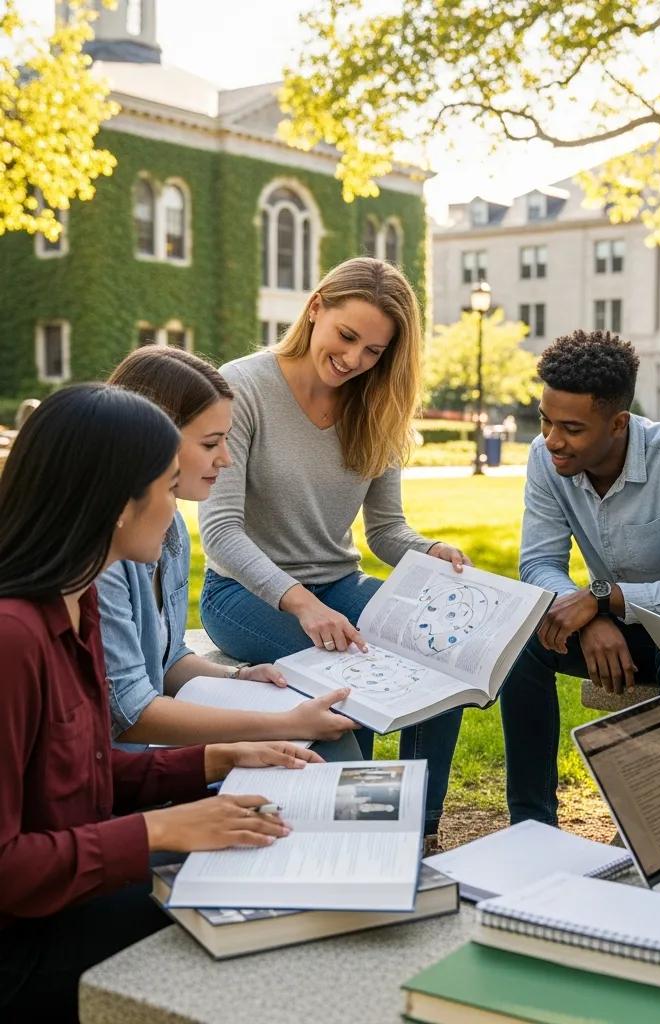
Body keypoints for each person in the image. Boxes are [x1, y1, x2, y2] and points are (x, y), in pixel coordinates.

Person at [0, 385, 322, 1021]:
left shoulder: (77, 601)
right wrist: (162, 828)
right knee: (254, 935)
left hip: (76, 893)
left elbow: (79, 776)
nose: (177, 508)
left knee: (267, 871)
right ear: (121, 504)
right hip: (23, 947)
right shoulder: (14, 638)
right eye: (170, 487)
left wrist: (210, 760)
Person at [199, 257, 468, 842]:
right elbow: (220, 531)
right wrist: (301, 603)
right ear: (316, 306)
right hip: (243, 594)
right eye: (348, 337)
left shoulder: (377, 403)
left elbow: (387, 533)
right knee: (354, 679)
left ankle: (417, 829)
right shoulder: (243, 387)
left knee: (443, 662)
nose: (354, 360)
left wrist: (433, 552)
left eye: (374, 352)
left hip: (339, 585)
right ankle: (359, 836)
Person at [500, 329, 660, 825]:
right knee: (522, 641)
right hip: (618, 626)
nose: (553, 440)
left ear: (618, 423)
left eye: (572, 429)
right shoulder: (545, 455)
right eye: (545, 421)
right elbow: (538, 564)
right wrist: (592, 617)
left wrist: (604, 600)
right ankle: (531, 825)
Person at [99, 347, 357, 752]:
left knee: (326, 735)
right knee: (315, 744)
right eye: (211, 443)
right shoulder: (105, 556)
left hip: (143, 762)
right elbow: (129, 713)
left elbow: (165, 661)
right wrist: (277, 725)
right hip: (120, 780)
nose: (227, 458)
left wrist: (239, 678)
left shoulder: (172, 531)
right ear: (151, 437)